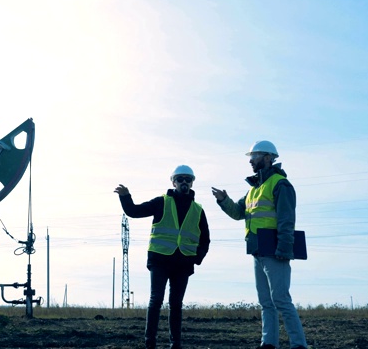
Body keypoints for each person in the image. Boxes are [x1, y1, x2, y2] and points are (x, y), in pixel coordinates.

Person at [211, 140, 307, 349]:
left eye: (254, 157)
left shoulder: (281, 184)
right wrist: (224, 200)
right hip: (257, 250)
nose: (251, 161)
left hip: (275, 251)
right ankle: (269, 343)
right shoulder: (254, 189)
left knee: (281, 300)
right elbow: (238, 213)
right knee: (266, 303)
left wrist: (284, 249)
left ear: (268, 158)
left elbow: (286, 220)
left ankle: (299, 345)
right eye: (250, 157)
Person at [115, 165, 210, 349]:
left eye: (188, 179)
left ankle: (176, 345)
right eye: (180, 179)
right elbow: (134, 211)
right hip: (160, 260)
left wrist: (197, 258)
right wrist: (125, 197)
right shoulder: (161, 202)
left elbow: (205, 239)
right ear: (173, 182)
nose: (184, 182)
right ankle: (150, 343)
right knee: (156, 300)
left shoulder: (198, 210)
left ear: (192, 183)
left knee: (176, 304)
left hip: (183, 263)